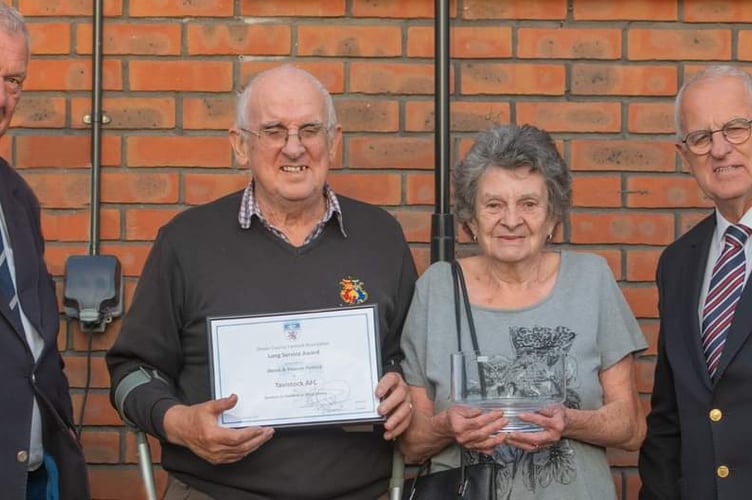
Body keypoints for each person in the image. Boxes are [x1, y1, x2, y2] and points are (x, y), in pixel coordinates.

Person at [106, 64, 417, 499]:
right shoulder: (186, 242)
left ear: (334, 140)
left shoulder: (381, 237)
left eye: (310, 129)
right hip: (215, 491)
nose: (294, 148)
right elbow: (129, 372)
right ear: (240, 145)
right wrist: (178, 423)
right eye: (273, 130)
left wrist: (404, 387)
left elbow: (410, 358)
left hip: (360, 491)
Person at [399, 124, 647, 499]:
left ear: (552, 217)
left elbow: (631, 428)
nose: (511, 220)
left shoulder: (591, 280)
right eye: (494, 204)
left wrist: (570, 420)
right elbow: (411, 444)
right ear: (470, 218)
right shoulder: (437, 289)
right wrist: (447, 427)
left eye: (528, 204)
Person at [639, 65, 752, 500]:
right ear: (684, 156)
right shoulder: (678, 264)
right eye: (701, 138)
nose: (720, 149)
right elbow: (669, 419)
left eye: (736, 128)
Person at [0, 4, 91, 500]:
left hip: (34, 474)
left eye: (14, 80)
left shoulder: (17, 198)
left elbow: (37, 344)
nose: (2, 97)